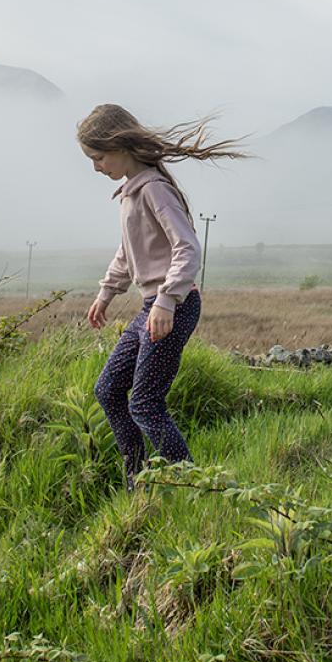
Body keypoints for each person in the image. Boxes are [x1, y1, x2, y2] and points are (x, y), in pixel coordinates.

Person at [79, 103, 246, 487]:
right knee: (107, 390)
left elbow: (187, 246)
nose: (96, 167)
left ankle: (194, 486)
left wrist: (169, 300)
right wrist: (105, 294)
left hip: (174, 305)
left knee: (144, 403)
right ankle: (137, 478)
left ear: (120, 146)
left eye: (99, 157)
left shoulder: (154, 189)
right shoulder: (131, 195)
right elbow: (128, 251)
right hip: (152, 305)